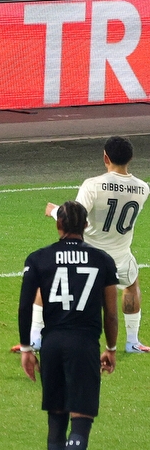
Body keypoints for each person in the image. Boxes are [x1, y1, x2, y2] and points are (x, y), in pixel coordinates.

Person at [17, 200, 118, 450]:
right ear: (85, 226)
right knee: (82, 418)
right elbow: (111, 313)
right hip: (84, 345)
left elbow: (25, 307)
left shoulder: (39, 259)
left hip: (52, 345)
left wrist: (26, 347)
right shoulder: (103, 260)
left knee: (57, 420)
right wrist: (111, 348)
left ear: (58, 225)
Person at [16, 137, 150, 353]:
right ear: (131, 158)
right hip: (120, 257)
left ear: (105, 157)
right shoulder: (143, 189)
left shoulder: (93, 185)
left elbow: (74, 219)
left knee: (46, 287)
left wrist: (53, 211)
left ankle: (35, 340)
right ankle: (132, 341)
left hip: (88, 256)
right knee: (131, 285)